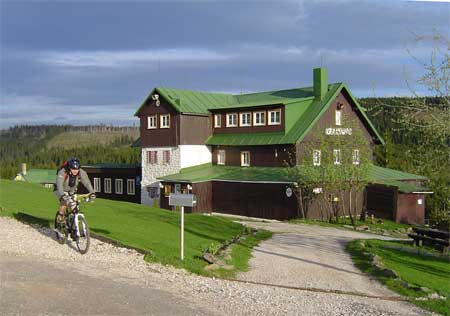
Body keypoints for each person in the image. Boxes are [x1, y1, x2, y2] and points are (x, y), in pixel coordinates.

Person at [54, 157, 96, 224]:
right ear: (69, 168)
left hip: (71, 191)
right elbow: (59, 185)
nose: (75, 171)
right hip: (59, 190)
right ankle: (60, 216)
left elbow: (87, 183)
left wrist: (92, 192)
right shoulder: (63, 172)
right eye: (73, 169)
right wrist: (63, 195)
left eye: (77, 169)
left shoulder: (81, 172)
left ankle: (73, 226)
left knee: (74, 209)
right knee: (65, 202)